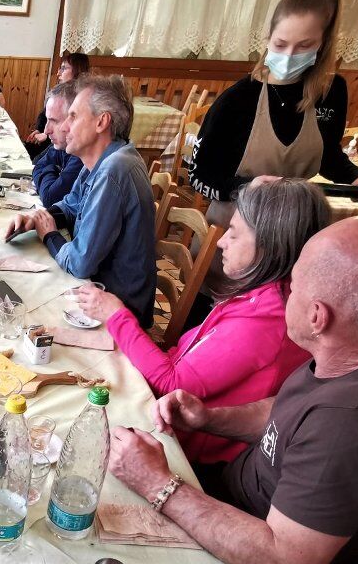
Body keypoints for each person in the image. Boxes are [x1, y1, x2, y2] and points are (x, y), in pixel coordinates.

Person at [107, 217, 358, 564]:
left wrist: (158, 484)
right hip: (226, 494)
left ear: (317, 316)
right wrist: (208, 418)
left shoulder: (353, 425)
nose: (283, 291)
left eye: (294, 285)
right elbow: (289, 413)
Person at [76, 180, 329, 464]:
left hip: (190, 455)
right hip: (179, 424)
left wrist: (116, 316)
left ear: (269, 245)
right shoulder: (266, 294)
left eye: (233, 233)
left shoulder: (266, 319)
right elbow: (185, 360)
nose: (221, 242)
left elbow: (172, 384)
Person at [189, 0, 358, 226]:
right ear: (267, 39)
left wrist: (355, 176)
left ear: (323, 44)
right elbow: (199, 175)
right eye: (280, 44)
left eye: (303, 46)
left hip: (294, 225)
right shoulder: (238, 99)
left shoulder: (331, 92)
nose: (289, 55)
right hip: (235, 223)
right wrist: (245, 186)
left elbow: (328, 156)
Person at [3, 75, 157, 326]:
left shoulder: (113, 170)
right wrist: (37, 219)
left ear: (101, 122)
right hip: (100, 294)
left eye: (73, 116)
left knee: (23, 315)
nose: (64, 127)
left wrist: (48, 234)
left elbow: (79, 262)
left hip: (120, 313)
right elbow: (71, 204)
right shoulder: (103, 159)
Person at [25, 52, 89, 158]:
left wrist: (45, 135)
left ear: (77, 70)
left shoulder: (80, 98)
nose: (58, 73)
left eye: (64, 68)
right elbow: (44, 114)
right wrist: (39, 129)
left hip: (56, 147)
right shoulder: (60, 92)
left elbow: (66, 134)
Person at [31, 80, 84, 207]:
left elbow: (50, 197)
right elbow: (37, 165)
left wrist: (50, 168)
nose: (46, 130)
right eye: (47, 120)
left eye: (54, 121)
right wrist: (53, 170)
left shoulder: (81, 154)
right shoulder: (63, 144)